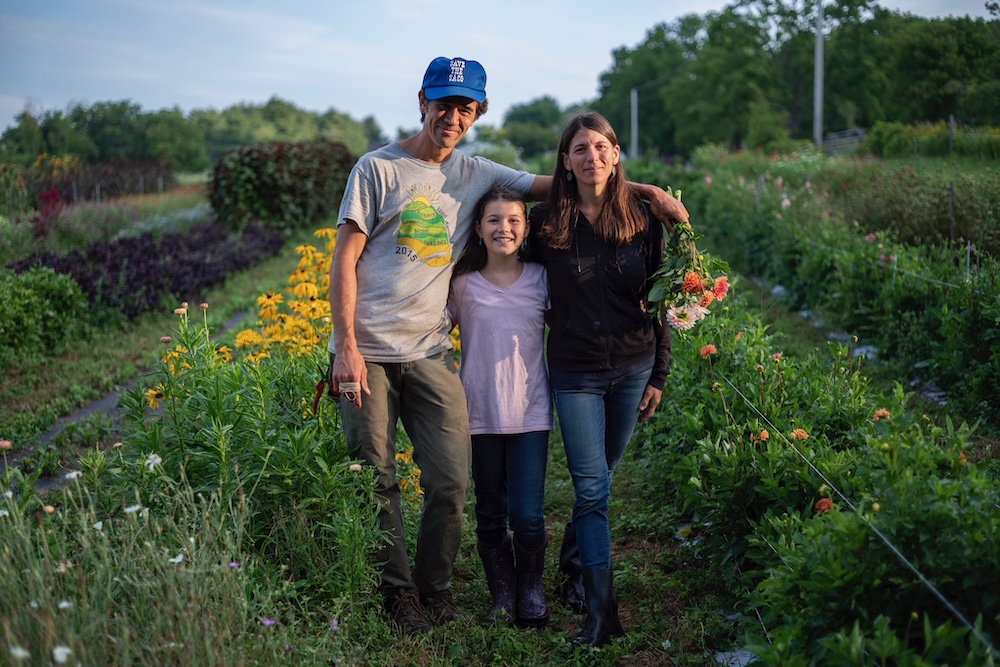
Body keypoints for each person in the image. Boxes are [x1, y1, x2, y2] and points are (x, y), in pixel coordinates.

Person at [328, 56, 687, 637]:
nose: (451, 116)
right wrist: (344, 345)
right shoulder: (377, 169)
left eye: (464, 107)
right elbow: (344, 257)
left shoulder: (475, 173)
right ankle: (400, 597)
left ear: (478, 113)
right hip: (365, 348)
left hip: (429, 350)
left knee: (449, 483)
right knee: (377, 475)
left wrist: (646, 193)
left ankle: (437, 588)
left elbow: (574, 179)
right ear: (421, 101)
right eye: (442, 103)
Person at [527, 111, 672, 648]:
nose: (592, 156)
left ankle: (572, 566)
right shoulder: (545, 224)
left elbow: (663, 299)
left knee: (602, 480)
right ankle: (602, 613)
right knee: (591, 488)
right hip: (576, 371)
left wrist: (660, 370)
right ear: (565, 161)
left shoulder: (642, 217)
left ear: (616, 154)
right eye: (580, 149)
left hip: (634, 367)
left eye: (601, 146)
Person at [447, 187, 552, 628]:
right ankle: (503, 594)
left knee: (527, 516)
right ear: (478, 228)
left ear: (526, 228)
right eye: (493, 220)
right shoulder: (462, 285)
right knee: (490, 511)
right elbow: (430, 332)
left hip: (530, 412)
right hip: (478, 414)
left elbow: (575, 327)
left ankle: (531, 587)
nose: (503, 228)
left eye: (513, 220)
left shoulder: (542, 279)